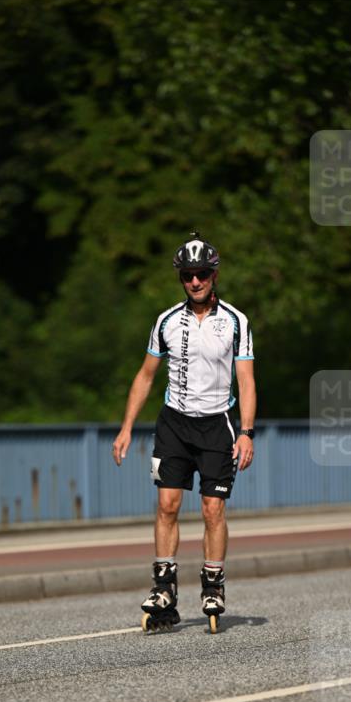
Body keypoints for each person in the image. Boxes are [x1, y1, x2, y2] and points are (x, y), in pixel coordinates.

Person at [112, 232, 256, 632]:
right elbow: (144, 376)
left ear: (214, 274)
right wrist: (126, 428)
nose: (195, 281)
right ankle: (164, 589)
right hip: (174, 423)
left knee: (213, 509)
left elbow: (246, 381)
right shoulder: (165, 321)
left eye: (202, 274)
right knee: (168, 506)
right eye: (187, 275)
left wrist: (246, 432)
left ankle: (213, 585)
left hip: (217, 425)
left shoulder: (236, 322)